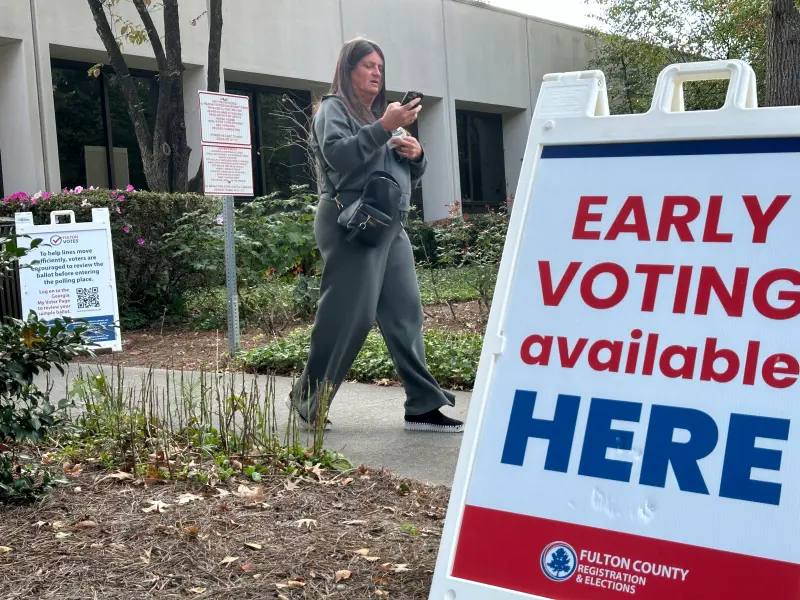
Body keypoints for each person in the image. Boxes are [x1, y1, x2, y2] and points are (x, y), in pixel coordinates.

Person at [288, 37, 464, 434]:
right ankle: (308, 398)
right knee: (349, 315)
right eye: (368, 65)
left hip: (389, 223)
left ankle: (422, 404)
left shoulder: (376, 118)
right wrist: (385, 127)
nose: (376, 73)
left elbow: (394, 171)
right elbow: (340, 157)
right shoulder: (333, 109)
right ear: (349, 70)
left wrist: (415, 156)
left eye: (380, 67)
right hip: (353, 223)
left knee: (406, 313)